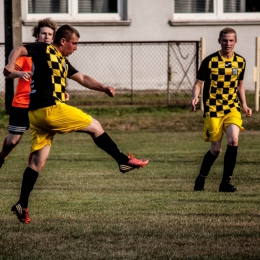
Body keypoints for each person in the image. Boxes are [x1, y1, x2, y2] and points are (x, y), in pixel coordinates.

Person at [3, 24, 149, 223]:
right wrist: (11, 64)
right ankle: (122, 160)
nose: (76, 47)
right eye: (74, 43)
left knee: (37, 162)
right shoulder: (45, 49)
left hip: (37, 116)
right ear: (63, 41)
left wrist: (104, 88)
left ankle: (22, 204)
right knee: (95, 126)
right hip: (50, 110)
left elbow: (83, 78)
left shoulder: (62, 61)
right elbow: (19, 49)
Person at [191, 27, 252, 192]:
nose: (228, 43)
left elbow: (240, 85)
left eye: (231, 40)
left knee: (234, 140)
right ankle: (201, 178)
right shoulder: (210, 61)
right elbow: (198, 83)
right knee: (216, 150)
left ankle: (225, 183)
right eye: (225, 40)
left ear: (236, 42)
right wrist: (195, 97)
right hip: (213, 109)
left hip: (232, 107)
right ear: (219, 41)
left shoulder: (240, 61)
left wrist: (244, 104)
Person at [0, 18, 57, 168]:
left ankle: (30, 171)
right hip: (22, 102)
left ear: (53, 37)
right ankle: (2, 156)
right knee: (13, 141)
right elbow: (8, 73)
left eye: (49, 34)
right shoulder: (27, 54)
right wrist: (19, 73)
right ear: (37, 36)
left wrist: (63, 93)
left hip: (42, 104)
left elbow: (59, 79)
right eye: (43, 33)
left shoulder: (54, 57)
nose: (46, 37)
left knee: (38, 142)